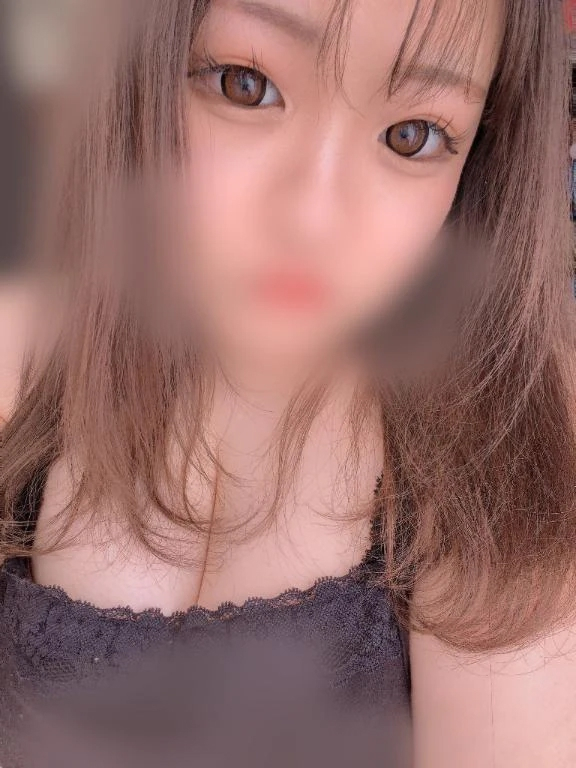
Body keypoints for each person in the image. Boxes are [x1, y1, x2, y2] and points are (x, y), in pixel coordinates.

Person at [0, 1, 575, 765]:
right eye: (245, 86)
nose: (314, 219)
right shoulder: (26, 352)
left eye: (413, 136)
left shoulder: (496, 452)